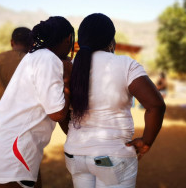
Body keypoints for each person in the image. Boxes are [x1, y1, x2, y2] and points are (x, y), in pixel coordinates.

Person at [0, 16, 74, 188]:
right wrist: (67, 78)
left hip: (2, 141)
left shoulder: (34, 56)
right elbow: (57, 113)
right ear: (69, 38)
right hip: (15, 149)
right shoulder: (48, 59)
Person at [64, 13, 166, 188]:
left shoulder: (70, 67)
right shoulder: (126, 64)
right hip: (113, 157)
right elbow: (155, 105)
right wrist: (146, 141)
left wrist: (77, 138)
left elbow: (61, 111)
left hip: (75, 155)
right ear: (111, 40)